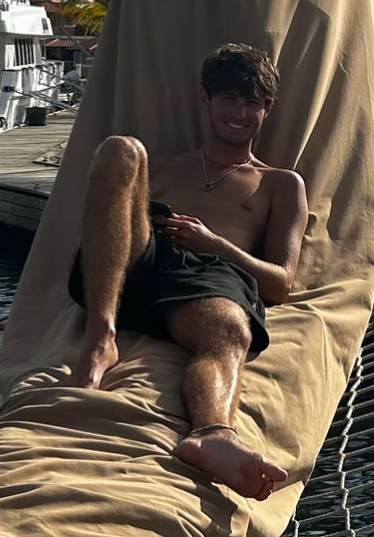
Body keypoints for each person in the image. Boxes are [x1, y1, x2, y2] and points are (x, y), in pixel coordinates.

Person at [67, 43, 309, 503]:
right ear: (205, 99)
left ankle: (212, 433)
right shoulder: (163, 165)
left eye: (252, 102)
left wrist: (215, 243)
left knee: (230, 327)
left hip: (209, 277)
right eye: (229, 99)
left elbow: (280, 283)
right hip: (136, 260)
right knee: (121, 149)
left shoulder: (279, 183)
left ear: (268, 110)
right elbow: (107, 218)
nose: (240, 113)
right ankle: (101, 340)